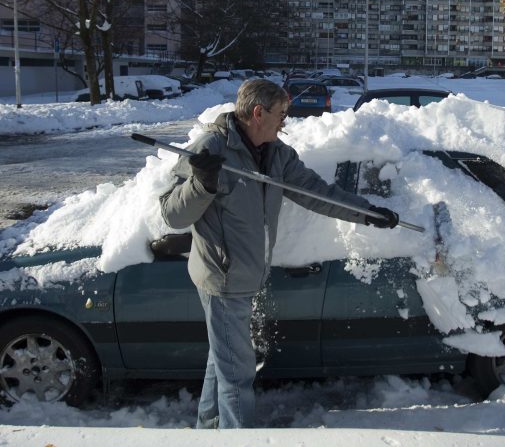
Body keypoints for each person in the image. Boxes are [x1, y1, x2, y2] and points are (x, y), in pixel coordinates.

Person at [159, 78, 399, 429]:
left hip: (247, 273)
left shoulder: (277, 154)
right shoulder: (212, 147)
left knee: (223, 358)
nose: (286, 120)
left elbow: (317, 193)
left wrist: (367, 213)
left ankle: (208, 429)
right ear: (259, 113)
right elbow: (172, 214)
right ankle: (237, 437)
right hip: (222, 277)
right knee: (237, 374)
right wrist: (201, 183)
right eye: (282, 113)